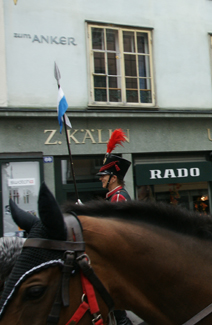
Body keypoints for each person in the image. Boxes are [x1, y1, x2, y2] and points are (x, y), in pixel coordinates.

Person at [96, 129, 133, 325]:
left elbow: (113, 230)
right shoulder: (113, 196)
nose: (101, 178)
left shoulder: (118, 197)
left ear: (113, 178)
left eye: (104, 176)